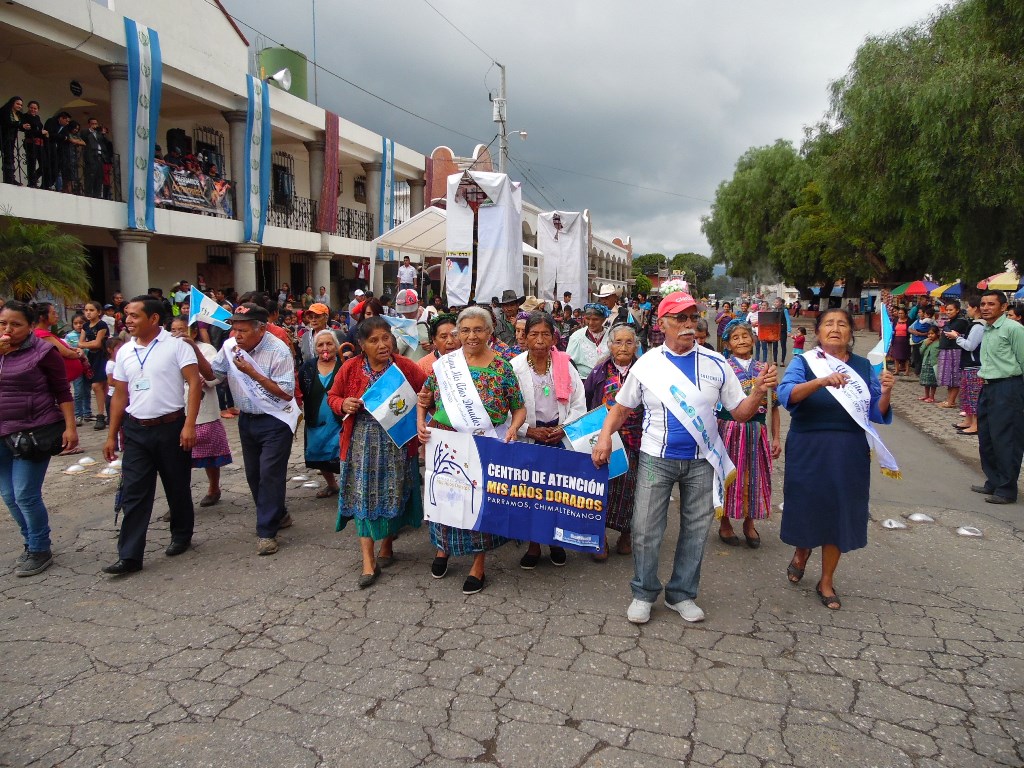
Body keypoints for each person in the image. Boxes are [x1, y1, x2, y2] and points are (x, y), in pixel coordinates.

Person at [592, 292, 777, 625]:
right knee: (646, 529)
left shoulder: (716, 363)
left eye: (692, 318)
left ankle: (682, 594)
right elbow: (621, 408)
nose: (689, 324)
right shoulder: (647, 364)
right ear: (662, 324)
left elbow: (740, 412)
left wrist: (759, 392)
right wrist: (605, 436)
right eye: (680, 318)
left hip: (701, 460)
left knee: (694, 530)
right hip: (655, 457)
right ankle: (644, 592)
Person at [778, 308, 894, 610]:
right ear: (818, 333)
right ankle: (802, 551)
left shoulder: (863, 366)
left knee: (840, 510)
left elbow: (875, 412)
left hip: (849, 449)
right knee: (808, 505)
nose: (835, 328)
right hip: (809, 445)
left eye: (842, 324)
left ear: (850, 333)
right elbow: (786, 394)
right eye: (828, 324)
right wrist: (820, 382)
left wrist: (887, 393)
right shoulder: (805, 362)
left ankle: (826, 580)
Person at [417, 306, 527, 595]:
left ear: (490, 332)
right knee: (445, 496)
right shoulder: (445, 366)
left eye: (478, 329)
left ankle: (478, 563)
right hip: (446, 440)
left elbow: (519, 408)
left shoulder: (503, 366)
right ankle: (443, 550)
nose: (471, 335)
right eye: (465, 330)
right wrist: (420, 424)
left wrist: (514, 427)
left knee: (478, 501)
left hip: (483, 442)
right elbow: (424, 400)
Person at [101, 297, 202, 575]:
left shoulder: (176, 346)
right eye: (126, 315)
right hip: (136, 430)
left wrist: (189, 425)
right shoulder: (124, 352)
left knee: (176, 485)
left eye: (134, 316)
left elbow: (195, 383)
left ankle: (181, 534)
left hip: (171, 427)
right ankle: (130, 555)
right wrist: (112, 435)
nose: (128, 321)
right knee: (134, 493)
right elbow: (120, 394)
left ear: (154, 319)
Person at [327, 317, 427, 587]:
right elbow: (333, 396)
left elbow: (427, 391)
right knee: (363, 499)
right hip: (361, 444)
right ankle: (368, 562)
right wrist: (343, 403)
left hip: (396, 445)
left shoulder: (405, 367)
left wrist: (424, 403)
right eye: (374, 340)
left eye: (386, 338)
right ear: (362, 344)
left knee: (392, 495)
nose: (382, 344)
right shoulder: (350, 368)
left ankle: (387, 545)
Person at [211, 303, 297, 555]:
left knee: (270, 473)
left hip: (275, 420)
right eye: (234, 329)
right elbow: (213, 374)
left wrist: (253, 372)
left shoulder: (277, 350)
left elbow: (285, 393)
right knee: (254, 475)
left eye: (243, 330)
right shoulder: (230, 347)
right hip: (247, 419)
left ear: (260, 329)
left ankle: (266, 532)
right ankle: (278, 513)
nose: (236, 335)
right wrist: (191, 351)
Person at [0, 301, 77, 576]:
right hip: (1, 433)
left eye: (16, 324)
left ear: (32, 326)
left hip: (33, 431)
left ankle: (40, 548)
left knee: (25, 494)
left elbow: (62, 391)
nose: (8, 329)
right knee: (8, 495)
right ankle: (30, 542)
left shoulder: (44, 351)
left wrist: (71, 428)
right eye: (3, 323)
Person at [510, 312, 587, 568]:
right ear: (525, 337)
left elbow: (578, 403)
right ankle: (533, 545)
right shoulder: (515, 367)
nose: (540, 340)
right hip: (530, 436)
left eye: (545, 334)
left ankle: (555, 540)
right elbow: (507, 409)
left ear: (554, 337)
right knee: (530, 493)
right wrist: (528, 431)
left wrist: (564, 428)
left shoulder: (565, 364)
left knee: (556, 492)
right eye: (534, 334)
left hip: (558, 435)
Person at [715, 321, 781, 548]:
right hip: (729, 430)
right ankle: (724, 522)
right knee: (728, 476)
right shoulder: (722, 367)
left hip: (757, 431)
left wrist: (776, 438)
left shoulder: (766, 368)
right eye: (735, 338)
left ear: (753, 339)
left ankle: (749, 522)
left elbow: (773, 407)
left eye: (745, 336)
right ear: (727, 344)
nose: (741, 341)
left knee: (755, 477)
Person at [583, 323, 642, 561]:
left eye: (629, 342)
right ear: (610, 346)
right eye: (618, 342)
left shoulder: (645, 370)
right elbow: (586, 402)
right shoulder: (599, 372)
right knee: (602, 487)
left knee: (633, 488)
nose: (624, 347)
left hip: (636, 439)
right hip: (605, 438)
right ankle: (600, 536)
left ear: (636, 346)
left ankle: (626, 534)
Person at [169, 317, 232, 509]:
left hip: (204, 410)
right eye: (173, 330)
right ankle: (179, 501)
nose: (177, 334)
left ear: (194, 332)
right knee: (177, 460)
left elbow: (214, 376)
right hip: (178, 409)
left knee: (210, 455)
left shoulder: (207, 349)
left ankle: (214, 488)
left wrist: (194, 351)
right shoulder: (167, 351)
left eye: (182, 330)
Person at [973, 290, 1024, 504]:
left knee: (1006, 439)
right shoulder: (986, 329)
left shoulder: (1014, 328)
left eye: (991, 304)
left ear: (1003, 307)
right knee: (986, 437)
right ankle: (993, 481)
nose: (985, 307)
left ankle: (1006, 489)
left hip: (1008, 387)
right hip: (987, 387)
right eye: (983, 303)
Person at [297, 329, 343, 498]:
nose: (325, 347)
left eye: (329, 343)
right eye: (320, 344)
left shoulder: (343, 365)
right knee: (319, 451)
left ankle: (347, 486)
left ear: (336, 346)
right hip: (315, 419)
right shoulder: (308, 367)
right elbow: (300, 388)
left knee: (342, 452)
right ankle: (332, 485)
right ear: (315, 348)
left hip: (338, 420)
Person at [949, 297, 984, 436]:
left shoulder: (979, 326)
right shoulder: (973, 324)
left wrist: (957, 338)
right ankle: (968, 421)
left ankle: (975, 425)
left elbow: (970, 345)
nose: (967, 309)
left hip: (974, 365)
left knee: (974, 395)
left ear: (975, 308)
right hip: (968, 365)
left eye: (969, 307)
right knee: (966, 395)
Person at [79, 301, 109, 430]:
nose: (88, 312)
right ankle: (107, 413)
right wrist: (88, 344)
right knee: (101, 386)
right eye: (86, 310)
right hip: (92, 357)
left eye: (91, 310)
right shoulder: (85, 326)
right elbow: (80, 343)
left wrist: (87, 343)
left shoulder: (102, 324)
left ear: (99, 312)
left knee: (99, 385)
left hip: (103, 356)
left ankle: (101, 415)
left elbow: (97, 344)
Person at [936, 300, 969, 408]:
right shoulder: (950, 321)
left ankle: (951, 401)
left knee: (955, 377)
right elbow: (946, 330)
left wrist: (946, 329)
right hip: (946, 350)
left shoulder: (961, 322)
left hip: (955, 351)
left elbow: (948, 332)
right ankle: (949, 400)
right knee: (948, 378)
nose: (948, 312)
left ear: (957, 310)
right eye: (947, 310)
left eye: (951, 310)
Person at [566, 303, 610, 379]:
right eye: (588, 319)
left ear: (603, 319)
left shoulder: (612, 336)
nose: (591, 323)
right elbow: (568, 363)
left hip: (607, 381)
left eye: (595, 319)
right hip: (582, 381)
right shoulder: (576, 337)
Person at [917, 325, 941, 403]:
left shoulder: (939, 343)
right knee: (926, 381)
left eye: (932, 333)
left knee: (933, 382)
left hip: (934, 364)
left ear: (937, 333)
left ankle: (932, 397)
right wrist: (925, 344)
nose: (930, 335)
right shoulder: (926, 341)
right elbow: (920, 352)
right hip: (926, 363)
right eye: (929, 334)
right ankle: (926, 395)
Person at [890, 308, 911, 376]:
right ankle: (897, 370)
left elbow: (910, 330)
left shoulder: (909, 321)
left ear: (905, 314)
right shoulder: (895, 320)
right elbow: (893, 330)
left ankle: (907, 371)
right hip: (896, 340)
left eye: (902, 313)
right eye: (899, 313)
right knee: (896, 356)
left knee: (906, 356)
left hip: (905, 340)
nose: (900, 315)